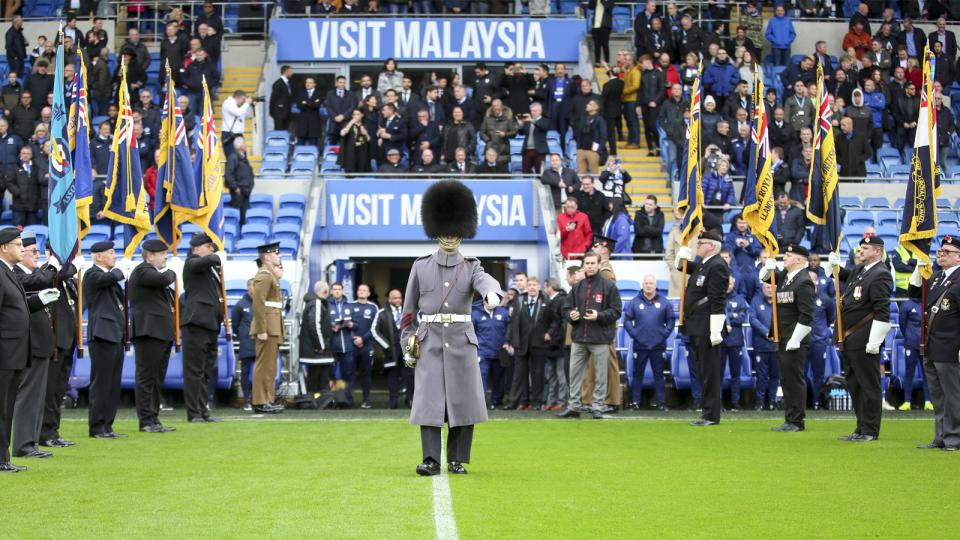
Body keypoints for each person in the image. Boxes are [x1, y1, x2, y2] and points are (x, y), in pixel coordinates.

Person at [400, 180, 503, 476]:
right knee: (429, 403)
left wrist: (491, 294)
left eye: (453, 230)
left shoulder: (471, 266)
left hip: (460, 341)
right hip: (429, 340)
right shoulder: (420, 266)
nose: (449, 236)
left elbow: (485, 280)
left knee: (463, 402)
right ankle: (431, 460)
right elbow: (408, 311)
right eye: (444, 230)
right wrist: (407, 343)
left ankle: (457, 459)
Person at [826, 236, 894, 443]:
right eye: (860, 247)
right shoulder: (860, 270)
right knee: (855, 385)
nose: (860, 251)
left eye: (865, 248)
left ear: (877, 251)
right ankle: (860, 426)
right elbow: (842, 276)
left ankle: (871, 429)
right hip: (849, 338)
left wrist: (874, 342)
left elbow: (882, 311)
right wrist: (833, 265)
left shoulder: (880, 274)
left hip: (864, 338)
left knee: (868, 385)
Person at [0, 228, 57, 473]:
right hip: (4, 352)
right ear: (4, 247)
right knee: (2, 407)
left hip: (15, 352)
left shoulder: (7, 272)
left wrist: (40, 299)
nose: (22, 249)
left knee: (7, 407)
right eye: (18, 244)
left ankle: (3, 457)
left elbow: (18, 306)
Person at [908, 237, 960, 450]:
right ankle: (940, 436)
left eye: (947, 252)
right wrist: (918, 269)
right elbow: (913, 293)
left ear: (959, 256)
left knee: (953, 396)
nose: (941, 255)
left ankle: (954, 437)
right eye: (940, 251)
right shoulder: (937, 277)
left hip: (950, 347)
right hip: (931, 345)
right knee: (938, 396)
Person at [557, 251, 622, 420]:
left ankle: (598, 407)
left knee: (601, 375)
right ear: (583, 265)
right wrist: (571, 314)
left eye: (593, 263)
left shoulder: (609, 286)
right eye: (587, 263)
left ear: (599, 265)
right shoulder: (578, 287)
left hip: (600, 338)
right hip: (579, 338)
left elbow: (616, 311)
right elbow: (566, 307)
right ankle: (574, 406)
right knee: (575, 375)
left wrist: (598, 316)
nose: (590, 266)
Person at [676, 229, 730, 426]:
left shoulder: (717, 266)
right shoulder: (704, 265)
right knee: (703, 371)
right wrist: (680, 256)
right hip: (697, 326)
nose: (697, 246)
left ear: (711, 247)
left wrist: (716, 330)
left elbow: (717, 300)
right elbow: (682, 267)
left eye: (700, 244)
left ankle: (711, 415)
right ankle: (707, 412)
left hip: (708, 328)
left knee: (710, 373)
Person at [760, 244, 815, 432]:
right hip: (782, 337)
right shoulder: (786, 277)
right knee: (786, 380)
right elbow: (765, 278)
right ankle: (789, 418)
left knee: (794, 379)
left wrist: (796, 338)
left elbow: (806, 315)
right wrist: (768, 267)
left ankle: (797, 420)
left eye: (789, 255)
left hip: (794, 339)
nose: (784, 257)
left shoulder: (804, 281)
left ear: (799, 260)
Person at [127, 240, 177, 433]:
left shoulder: (151, 273)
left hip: (160, 331)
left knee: (156, 377)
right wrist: (172, 272)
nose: (166, 257)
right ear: (150, 256)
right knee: (147, 377)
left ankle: (153, 417)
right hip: (149, 332)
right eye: (162, 253)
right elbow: (163, 279)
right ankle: (146, 420)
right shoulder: (142, 271)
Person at [84, 241, 127, 438]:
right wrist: (120, 270)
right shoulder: (92, 274)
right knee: (101, 382)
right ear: (98, 256)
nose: (114, 256)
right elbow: (109, 278)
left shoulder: (107, 278)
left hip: (114, 334)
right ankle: (96, 426)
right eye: (110, 253)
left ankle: (107, 425)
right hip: (102, 334)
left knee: (112, 383)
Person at [180, 233, 224, 423]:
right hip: (196, 323)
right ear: (198, 248)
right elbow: (208, 260)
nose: (212, 250)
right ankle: (194, 412)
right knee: (194, 371)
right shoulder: (192, 263)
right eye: (209, 246)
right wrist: (216, 256)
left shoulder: (210, 268)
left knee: (206, 371)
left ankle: (203, 409)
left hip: (211, 324)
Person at [38, 240, 78, 449]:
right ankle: (45, 433)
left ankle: (53, 430)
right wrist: (66, 263)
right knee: (51, 390)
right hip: (55, 342)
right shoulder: (47, 273)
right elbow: (62, 272)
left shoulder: (65, 280)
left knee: (59, 389)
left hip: (67, 340)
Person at [623, 275, 675, 410]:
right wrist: (634, 334)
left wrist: (664, 335)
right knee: (637, 374)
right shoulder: (634, 302)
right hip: (640, 345)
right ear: (642, 285)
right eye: (646, 283)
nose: (648, 285)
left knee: (659, 374)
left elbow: (671, 320)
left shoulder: (664, 302)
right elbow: (627, 320)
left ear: (655, 285)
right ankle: (635, 402)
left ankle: (662, 402)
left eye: (651, 283)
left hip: (658, 345)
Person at [250, 242, 285, 414]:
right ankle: (260, 400)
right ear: (267, 256)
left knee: (270, 366)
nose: (279, 257)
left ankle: (267, 399)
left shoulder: (270, 274)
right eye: (276, 254)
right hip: (267, 327)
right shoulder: (264, 275)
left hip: (273, 325)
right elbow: (258, 302)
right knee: (264, 365)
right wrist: (262, 329)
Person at [507, 276, 550, 410]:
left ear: (539, 287)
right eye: (530, 285)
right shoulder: (519, 300)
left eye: (534, 285)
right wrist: (509, 340)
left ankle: (537, 402)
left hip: (539, 345)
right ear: (527, 286)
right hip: (521, 344)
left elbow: (551, 320)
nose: (532, 287)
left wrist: (549, 334)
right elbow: (513, 322)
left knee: (538, 375)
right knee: (519, 375)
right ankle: (515, 402)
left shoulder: (546, 301)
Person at [372, 289, 408, 409]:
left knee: (410, 376)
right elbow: (374, 331)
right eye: (395, 298)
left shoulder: (408, 312)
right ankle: (393, 403)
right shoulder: (381, 313)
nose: (398, 300)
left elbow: (417, 327)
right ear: (389, 299)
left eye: (400, 298)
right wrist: (386, 346)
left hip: (407, 350)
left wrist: (413, 344)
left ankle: (410, 401)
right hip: (391, 352)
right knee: (392, 378)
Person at [719, 275, 748, 411]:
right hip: (720, 340)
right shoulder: (717, 298)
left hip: (735, 341)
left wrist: (727, 316)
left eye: (729, 283)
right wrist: (732, 314)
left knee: (735, 374)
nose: (727, 285)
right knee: (718, 374)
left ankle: (735, 401)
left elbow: (742, 318)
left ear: (733, 283)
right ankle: (718, 401)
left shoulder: (740, 299)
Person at [348, 283, 377, 409]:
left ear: (369, 293)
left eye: (365, 290)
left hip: (367, 345)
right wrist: (354, 338)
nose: (362, 292)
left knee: (366, 374)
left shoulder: (373, 307)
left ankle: (366, 400)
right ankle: (348, 400)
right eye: (360, 290)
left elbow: (375, 327)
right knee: (350, 373)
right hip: (352, 344)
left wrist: (363, 339)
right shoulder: (350, 305)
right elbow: (346, 324)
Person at [541, 278, 568, 411]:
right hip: (551, 345)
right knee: (552, 375)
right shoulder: (551, 301)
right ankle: (551, 401)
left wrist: (553, 338)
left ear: (549, 287)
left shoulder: (561, 300)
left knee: (560, 374)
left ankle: (561, 402)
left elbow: (562, 323)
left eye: (545, 287)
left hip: (558, 345)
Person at [231, 279, 257, 411]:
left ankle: (259, 399)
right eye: (253, 285)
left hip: (260, 343)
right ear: (248, 287)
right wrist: (243, 335)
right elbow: (235, 324)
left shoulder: (261, 303)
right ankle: (247, 399)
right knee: (245, 372)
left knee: (259, 372)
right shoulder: (240, 305)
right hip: (246, 343)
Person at [328, 282, 355, 398]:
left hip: (347, 346)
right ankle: (333, 397)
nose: (337, 291)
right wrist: (332, 327)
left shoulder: (349, 305)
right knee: (331, 373)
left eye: (339, 289)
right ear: (331, 291)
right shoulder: (326, 305)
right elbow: (323, 324)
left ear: (343, 291)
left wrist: (352, 324)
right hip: (333, 346)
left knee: (347, 373)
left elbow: (357, 324)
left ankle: (347, 397)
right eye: (335, 289)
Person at [225, 137, 254, 226]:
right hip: (238, 193)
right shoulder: (233, 157)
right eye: (243, 144)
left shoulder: (244, 158)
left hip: (245, 192)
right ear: (239, 146)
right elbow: (229, 175)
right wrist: (235, 188)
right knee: (237, 217)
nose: (245, 145)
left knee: (244, 217)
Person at [517, 101, 549, 174]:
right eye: (531, 110)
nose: (532, 112)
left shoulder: (545, 120)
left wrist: (532, 120)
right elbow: (521, 133)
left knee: (540, 172)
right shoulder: (527, 121)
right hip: (527, 150)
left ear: (540, 111)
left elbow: (544, 126)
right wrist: (521, 125)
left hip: (539, 151)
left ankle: (540, 186)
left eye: (534, 111)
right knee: (525, 172)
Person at [338, 108, 371, 174]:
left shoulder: (366, 125)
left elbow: (369, 139)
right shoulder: (348, 124)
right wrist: (350, 123)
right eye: (354, 114)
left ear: (362, 115)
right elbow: (342, 133)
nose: (355, 116)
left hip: (362, 151)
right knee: (350, 172)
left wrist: (366, 133)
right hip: (351, 151)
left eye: (357, 114)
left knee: (361, 171)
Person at [220, 91, 251, 158]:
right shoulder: (228, 103)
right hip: (229, 135)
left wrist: (250, 106)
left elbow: (246, 116)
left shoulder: (240, 106)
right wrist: (247, 104)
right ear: (238, 97)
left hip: (238, 135)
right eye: (243, 99)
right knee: (232, 158)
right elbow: (238, 112)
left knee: (243, 157)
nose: (244, 102)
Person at [294, 76, 323, 148]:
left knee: (314, 146)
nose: (307, 84)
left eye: (310, 83)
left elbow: (317, 105)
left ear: (314, 84)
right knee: (300, 146)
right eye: (306, 82)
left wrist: (305, 103)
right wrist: (312, 103)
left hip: (314, 123)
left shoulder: (319, 93)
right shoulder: (300, 92)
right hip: (302, 123)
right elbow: (299, 105)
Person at [269, 65, 294, 131]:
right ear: (286, 72)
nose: (292, 73)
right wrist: (272, 112)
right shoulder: (278, 83)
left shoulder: (289, 83)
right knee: (279, 132)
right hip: (279, 114)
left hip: (287, 114)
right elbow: (273, 98)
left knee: (285, 132)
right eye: (291, 71)